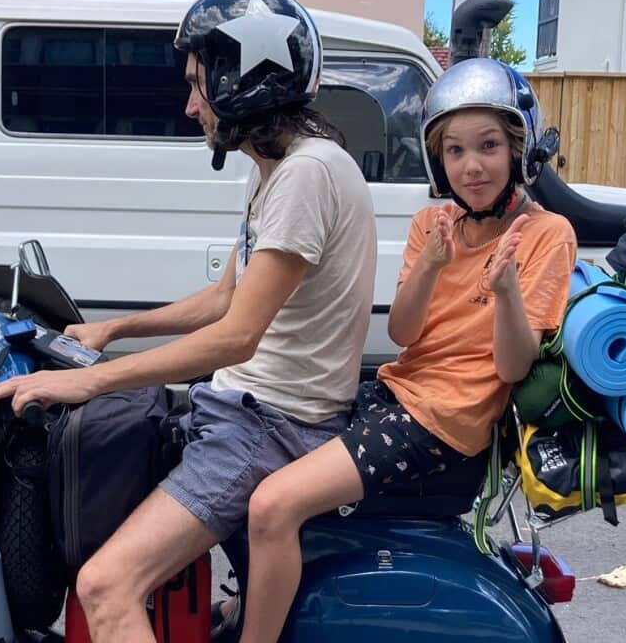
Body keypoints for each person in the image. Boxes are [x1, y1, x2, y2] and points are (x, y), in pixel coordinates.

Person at [0, 0, 377, 643]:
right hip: (247, 409)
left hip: (266, 427)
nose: (189, 104)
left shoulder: (307, 176)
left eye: (199, 84)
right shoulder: (279, 171)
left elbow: (237, 336)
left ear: (240, 81)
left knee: (106, 587)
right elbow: (226, 297)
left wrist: (88, 379)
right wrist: (114, 329)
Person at [236, 58, 578, 643]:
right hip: (396, 398)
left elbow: (513, 367)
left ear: (520, 149)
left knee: (272, 507)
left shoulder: (548, 234)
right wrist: (432, 264)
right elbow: (403, 333)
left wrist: (505, 293)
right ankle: (253, 611)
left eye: (489, 146)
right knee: (241, 459)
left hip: (444, 425)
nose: (472, 166)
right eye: (455, 151)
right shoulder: (433, 223)